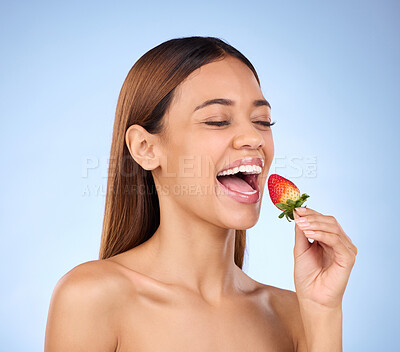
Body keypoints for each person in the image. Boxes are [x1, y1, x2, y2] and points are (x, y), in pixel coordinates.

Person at [44, 36, 357, 351]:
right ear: (146, 148)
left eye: (262, 121)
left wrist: (323, 311)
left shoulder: (294, 315)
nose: (253, 137)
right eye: (218, 121)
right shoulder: (90, 298)